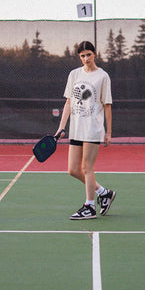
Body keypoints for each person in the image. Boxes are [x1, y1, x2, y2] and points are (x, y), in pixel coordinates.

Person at [55, 41, 116, 220]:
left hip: (92, 128)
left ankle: (89, 206)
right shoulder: (74, 74)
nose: (86, 58)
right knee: (73, 170)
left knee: (87, 168)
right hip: (76, 128)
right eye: (82, 56)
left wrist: (109, 132)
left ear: (94, 54)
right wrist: (61, 126)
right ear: (79, 57)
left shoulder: (102, 76)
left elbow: (107, 106)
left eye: (88, 54)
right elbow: (68, 102)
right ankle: (104, 193)